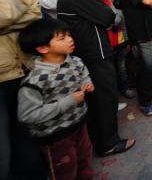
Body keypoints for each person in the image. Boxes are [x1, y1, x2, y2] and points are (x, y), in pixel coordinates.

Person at [57, 0, 135, 156]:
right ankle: (107, 143)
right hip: (94, 52)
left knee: (101, 98)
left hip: (90, 50)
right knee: (104, 98)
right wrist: (111, 9)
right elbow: (108, 18)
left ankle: (100, 140)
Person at [17, 19, 94, 180]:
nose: (70, 39)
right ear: (43, 48)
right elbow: (28, 115)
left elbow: (84, 74)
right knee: (65, 171)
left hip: (79, 125)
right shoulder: (35, 80)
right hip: (56, 138)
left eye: (69, 35)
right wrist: (68, 101)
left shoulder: (75, 61)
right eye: (62, 38)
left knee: (85, 161)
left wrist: (87, 83)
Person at [0, 0, 46, 179]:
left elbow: (35, 11)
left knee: (26, 132)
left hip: (22, 64)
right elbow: (25, 7)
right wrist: (16, 6)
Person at [89, 0, 134, 103]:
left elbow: (118, 21)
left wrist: (127, 40)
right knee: (108, 71)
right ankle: (113, 95)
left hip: (119, 41)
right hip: (103, 43)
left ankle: (124, 88)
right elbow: (111, 20)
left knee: (121, 67)